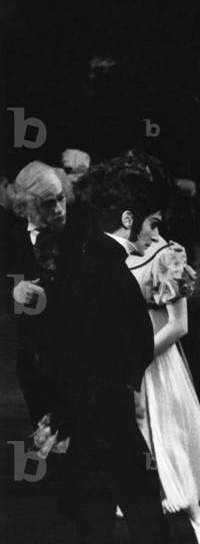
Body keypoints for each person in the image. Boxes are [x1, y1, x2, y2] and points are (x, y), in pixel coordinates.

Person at [51, 153, 170, 544]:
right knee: (147, 518)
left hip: (88, 417)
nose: (155, 234)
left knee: (95, 525)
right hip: (110, 417)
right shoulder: (111, 270)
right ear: (127, 218)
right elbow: (133, 345)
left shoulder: (82, 258)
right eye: (152, 224)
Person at [101, 228, 200, 544]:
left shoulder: (166, 255)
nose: (155, 229)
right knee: (137, 459)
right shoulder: (105, 251)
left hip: (157, 364)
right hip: (120, 363)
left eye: (156, 220)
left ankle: (198, 517)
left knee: (169, 443)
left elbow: (179, 325)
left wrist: (138, 357)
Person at [5, 162, 82, 424]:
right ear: (27, 205)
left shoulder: (81, 231)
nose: (60, 210)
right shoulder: (10, 237)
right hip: (35, 355)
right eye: (49, 203)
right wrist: (15, 288)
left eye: (61, 198)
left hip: (81, 352)